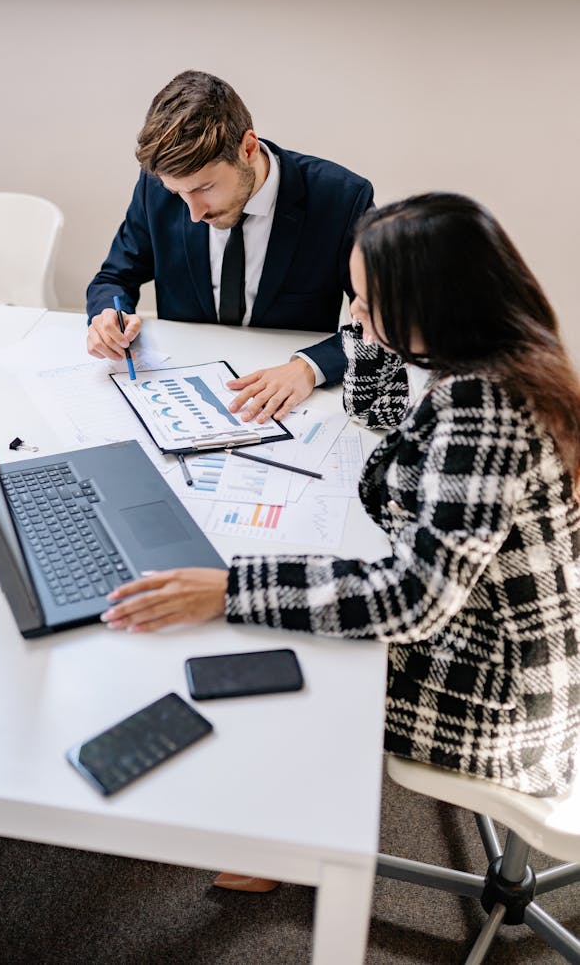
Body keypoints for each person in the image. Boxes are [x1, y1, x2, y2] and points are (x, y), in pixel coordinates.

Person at [100, 192, 580, 802]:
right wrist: (369, 328)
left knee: (265, 638)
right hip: (483, 628)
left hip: (509, 692)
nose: (355, 312)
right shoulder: (486, 354)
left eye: (370, 301)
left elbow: (414, 601)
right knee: (279, 608)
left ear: (430, 301)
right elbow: (374, 409)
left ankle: (279, 833)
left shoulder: (485, 410)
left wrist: (231, 589)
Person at [86, 70, 374, 423]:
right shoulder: (156, 190)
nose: (192, 213)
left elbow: (387, 321)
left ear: (248, 148)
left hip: (292, 403)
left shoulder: (341, 199)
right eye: (179, 194)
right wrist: (106, 318)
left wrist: (309, 369)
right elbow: (114, 278)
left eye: (205, 188)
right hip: (182, 391)